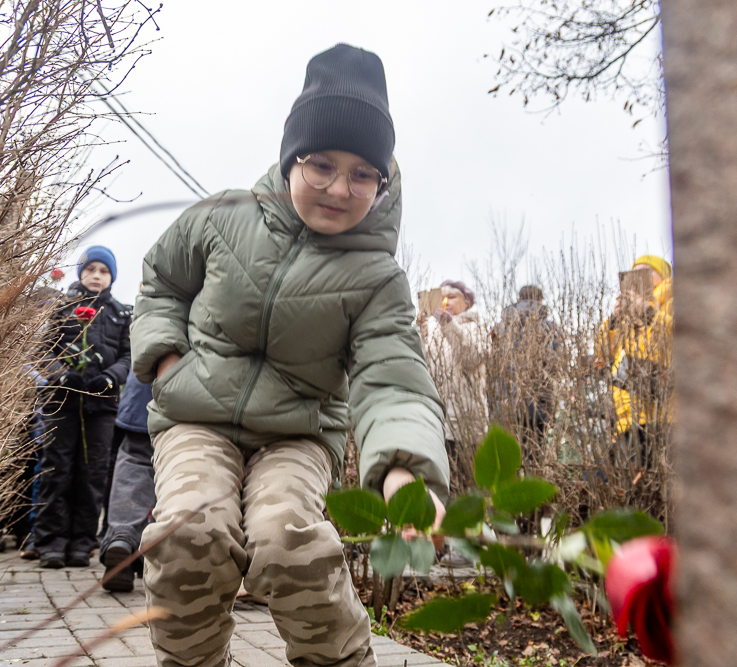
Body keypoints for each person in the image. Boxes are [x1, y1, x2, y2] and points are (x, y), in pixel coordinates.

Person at [131, 44, 449, 667]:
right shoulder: (221, 217)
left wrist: (403, 470)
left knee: (287, 543)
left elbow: (393, 378)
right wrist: (167, 360)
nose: (339, 188)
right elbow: (161, 282)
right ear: (290, 159)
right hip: (196, 418)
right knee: (191, 534)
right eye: (322, 164)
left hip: (297, 434)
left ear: (382, 182)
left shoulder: (376, 278)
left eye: (363, 174)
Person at [33, 246, 132, 569]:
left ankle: (82, 541)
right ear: (80, 273)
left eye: (104, 271)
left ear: (111, 277)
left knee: (93, 473)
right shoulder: (62, 309)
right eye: (91, 269)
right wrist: (61, 374)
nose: (96, 276)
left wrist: (109, 378)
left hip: (101, 406)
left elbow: (128, 357)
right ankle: (51, 542)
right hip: (62, 401)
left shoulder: (119, 314)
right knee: (56, 470)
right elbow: (42, 352)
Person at [598, 255, 674, 468]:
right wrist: (614, 320)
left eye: (646, 271)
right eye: (634, 273)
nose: (639, 278)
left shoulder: (671, 300)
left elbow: (675, 338)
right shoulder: (627, 313)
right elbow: (602, 355)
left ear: (663, 276)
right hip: (626, 417)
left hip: (661, 416)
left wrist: (647, 313)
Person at [419, 280, 488, 494]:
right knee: (442, 485)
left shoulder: (476, 326)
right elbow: (424, 369)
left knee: (468, 486)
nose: (446, 302)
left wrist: (448, 324)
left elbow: (472, 357)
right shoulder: (435, 333)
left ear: (467, 302)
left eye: (453, 297)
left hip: (466, 425)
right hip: (439, 423)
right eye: (442, 297)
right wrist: (420, 333)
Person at [98, 367, 154, 592]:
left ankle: (122, 537)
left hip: (142, 392)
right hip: (191, 399)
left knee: (135, 461)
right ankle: (162, 556)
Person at [489, 285, 561, 454]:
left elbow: (492, 366)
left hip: (506, 404)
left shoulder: (499, 328)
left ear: (518, 300)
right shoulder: (549, 328)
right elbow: (554, 366)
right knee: (534, 461)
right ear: (541, 301)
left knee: (508, 462)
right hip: (538, 405)